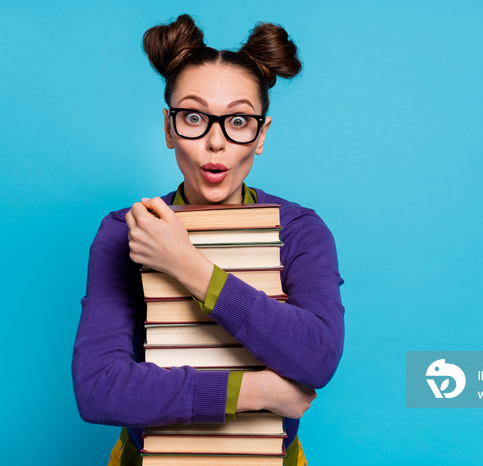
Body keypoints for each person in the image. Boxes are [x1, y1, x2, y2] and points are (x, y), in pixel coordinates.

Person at [72, 14, 345, 466]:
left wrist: (188, 267)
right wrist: (253, 390)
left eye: (238, 121)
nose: (215, 142)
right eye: (195, 117)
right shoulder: (125, 230)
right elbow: (99, 390)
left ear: (261, 135)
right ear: (168, 128)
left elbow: (316, 359)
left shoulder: (299, 230)